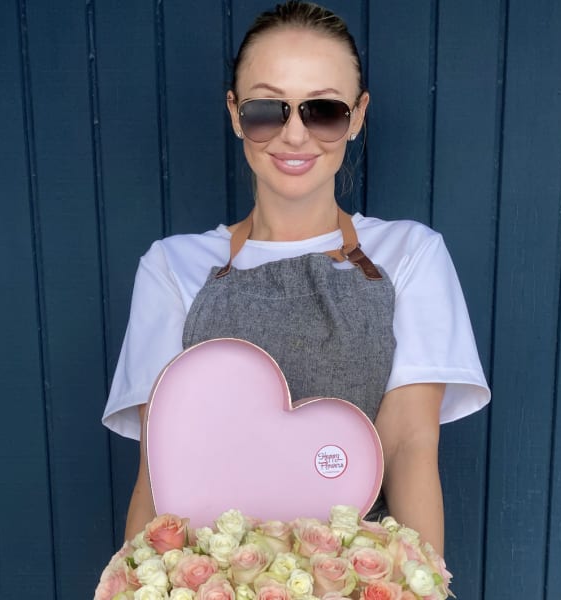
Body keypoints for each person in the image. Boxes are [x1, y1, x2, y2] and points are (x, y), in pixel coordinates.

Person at [102, 0, 490, 556]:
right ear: (235, 113)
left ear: (357, 116)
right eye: (267, 109)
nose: (294, 135)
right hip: (209, 581)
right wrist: (132, 582)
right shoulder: (172, 267)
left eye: (322, 111)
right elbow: (158, 470)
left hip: (357, 577)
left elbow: (408, 445)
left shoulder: (410, 254)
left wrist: (422, 583)